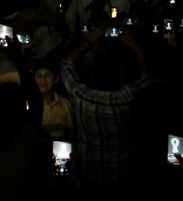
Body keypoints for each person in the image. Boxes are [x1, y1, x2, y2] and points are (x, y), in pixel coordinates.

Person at [60, 23, 148, 192]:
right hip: (121, 171)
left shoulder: (80, 95)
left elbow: (66, 64)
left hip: (88, 171)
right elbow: (146, 75)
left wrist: (88, 42)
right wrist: (132, 44)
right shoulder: (128, 96)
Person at [33, 61, 73, 139]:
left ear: (56, 79)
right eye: (39, 76)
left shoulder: (65, 104)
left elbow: (71, 135)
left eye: (48, 76)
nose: (43, 80)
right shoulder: (29, 105)